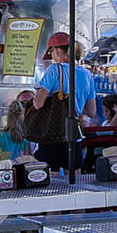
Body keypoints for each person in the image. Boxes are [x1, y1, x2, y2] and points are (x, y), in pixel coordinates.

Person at [33, 32, 97, 171]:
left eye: (51, 51)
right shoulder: (87, 74)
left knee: (51, 183)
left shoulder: (54, 69)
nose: (51, 56)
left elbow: (38, 104)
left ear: (56, 49)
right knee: (76, 182)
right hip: (75, 137)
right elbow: (91, 112)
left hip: (52, 136)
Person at [0, 91, 35, 161]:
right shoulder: (32, 138)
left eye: (31, 103)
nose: (27, 107)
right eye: (23, 103)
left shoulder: (40, 134)